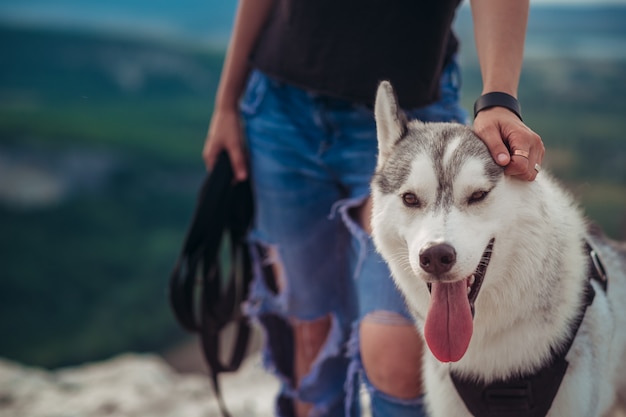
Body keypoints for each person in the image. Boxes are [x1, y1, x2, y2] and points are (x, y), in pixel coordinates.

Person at [202, 0, 544, 416]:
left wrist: (499, 98)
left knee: (395, 355)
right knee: (310, 335)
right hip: (280, 111)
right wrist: (226, 102)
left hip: (412, 118)